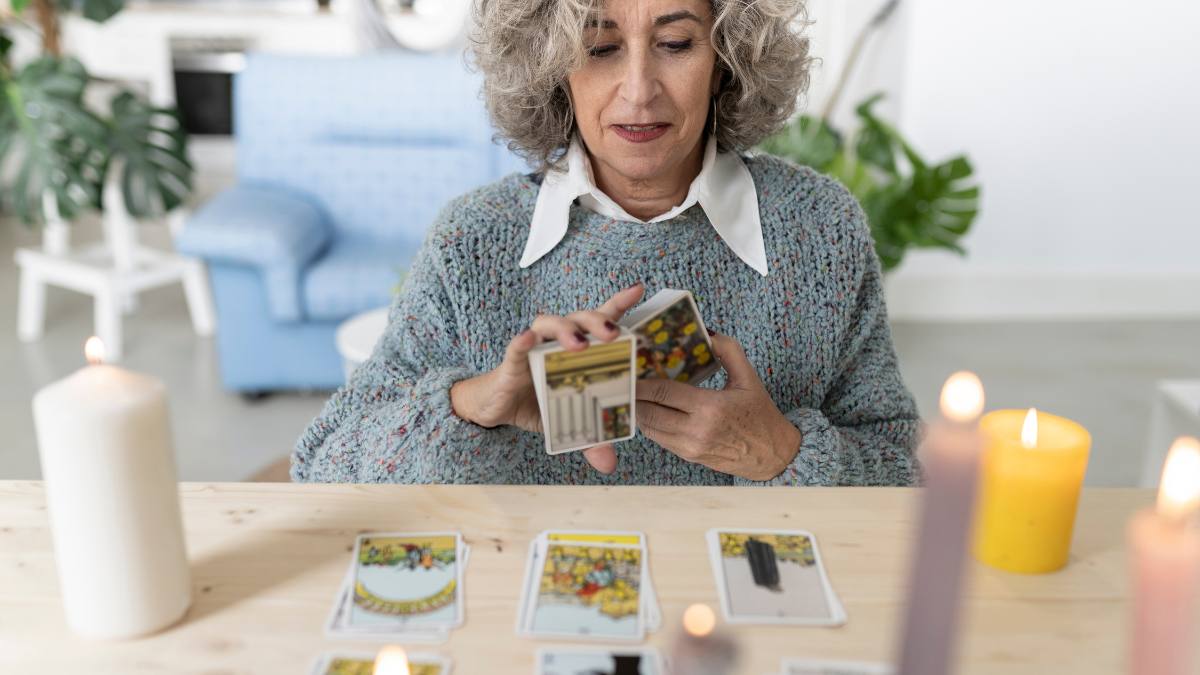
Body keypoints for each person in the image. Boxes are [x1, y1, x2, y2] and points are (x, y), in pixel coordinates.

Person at [292, 0, 921, 486]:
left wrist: (783, 451)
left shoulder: (820, 228)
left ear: (728, 57)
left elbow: (904, 470)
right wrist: (473, 406)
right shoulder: (474, 240)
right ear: (549, 61)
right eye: (599, 48)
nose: (639, 90)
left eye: (675, 44)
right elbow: (322, 465)